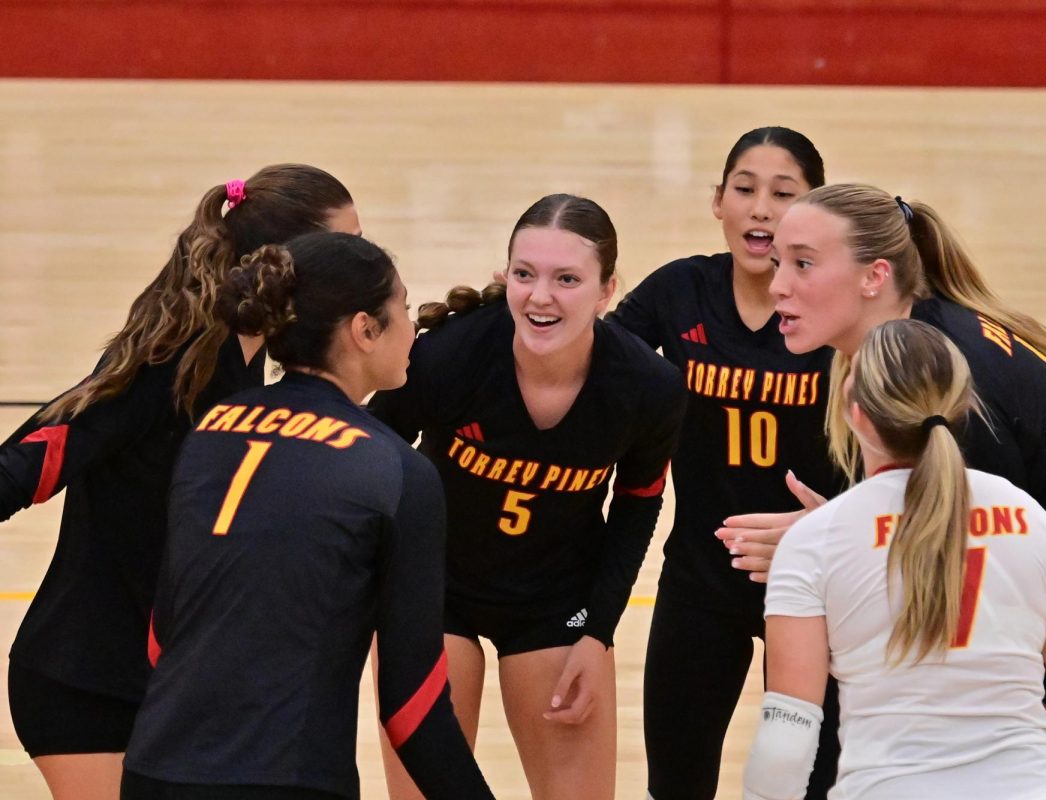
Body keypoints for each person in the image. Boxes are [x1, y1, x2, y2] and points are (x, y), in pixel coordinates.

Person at [733, 182, 1046, 795]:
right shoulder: (923, 353)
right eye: (776, 264)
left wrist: (829, 542)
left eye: (803, 264)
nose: (778, 287)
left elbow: (976, 548)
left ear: (874, 276)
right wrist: (842, 530)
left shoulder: (951, 379)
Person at [0, 164, 360, 800]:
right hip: (87, 683)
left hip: (170, 688)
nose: (357, 261)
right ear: (284, 262)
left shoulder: (257, 362)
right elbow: (34, 458)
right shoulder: (172, 363)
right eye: (346, 243)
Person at [121, 232, 493, 800]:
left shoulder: (212, 428)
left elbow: (161, 636)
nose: (413, 327)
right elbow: (414, 712)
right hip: (288, 780)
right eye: (402, 308)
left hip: (154, 772)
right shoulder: (393, 469)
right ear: (364, 330)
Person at [368, 193, 686, 800]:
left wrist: (597, 632)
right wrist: (374, 591)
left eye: (567, 279)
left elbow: (638, 505)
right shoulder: (447, 357)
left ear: (607, 290)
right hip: (436, 590)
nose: (541, 297)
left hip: (556, 601)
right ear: (504, 276)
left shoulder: (648, 386)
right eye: (525, 274)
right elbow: (368, 460)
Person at [606, 126, 843, 800]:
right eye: (744, 189)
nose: (761, 208)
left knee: (812, 785)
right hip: (701, 574)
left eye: (783, 193)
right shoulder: (681, 291)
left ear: (813, 210)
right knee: (676, 784)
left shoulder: (834, 303)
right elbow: (598, 361)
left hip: (814, 579)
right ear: (718, 202)